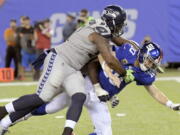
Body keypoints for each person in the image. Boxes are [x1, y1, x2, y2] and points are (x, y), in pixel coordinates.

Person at [0, 5, 134, 135]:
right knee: (42, 97)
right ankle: (2, 111)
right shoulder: (100, 34)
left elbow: (120, 41)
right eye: (120, 23)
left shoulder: (101, 26)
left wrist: (138, 49)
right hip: (60, 60)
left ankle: (67, 132)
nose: (121, 26)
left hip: (72, 68)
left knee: (79, 96)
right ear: (112, 21)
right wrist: (124, 73)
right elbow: (109, 59)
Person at [1, 42, 180, 135]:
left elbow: (153, 89)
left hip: (99, 98)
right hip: (86, 83)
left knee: (105, 133)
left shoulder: (144, 72)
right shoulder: (127, 51)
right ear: (142, 55)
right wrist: (109, 72)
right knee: (50, 106)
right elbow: (104, 56)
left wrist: (171, 104)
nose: (150, 65)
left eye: (152, 63)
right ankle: (8, 121)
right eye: (149, 61)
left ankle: (8, 120)